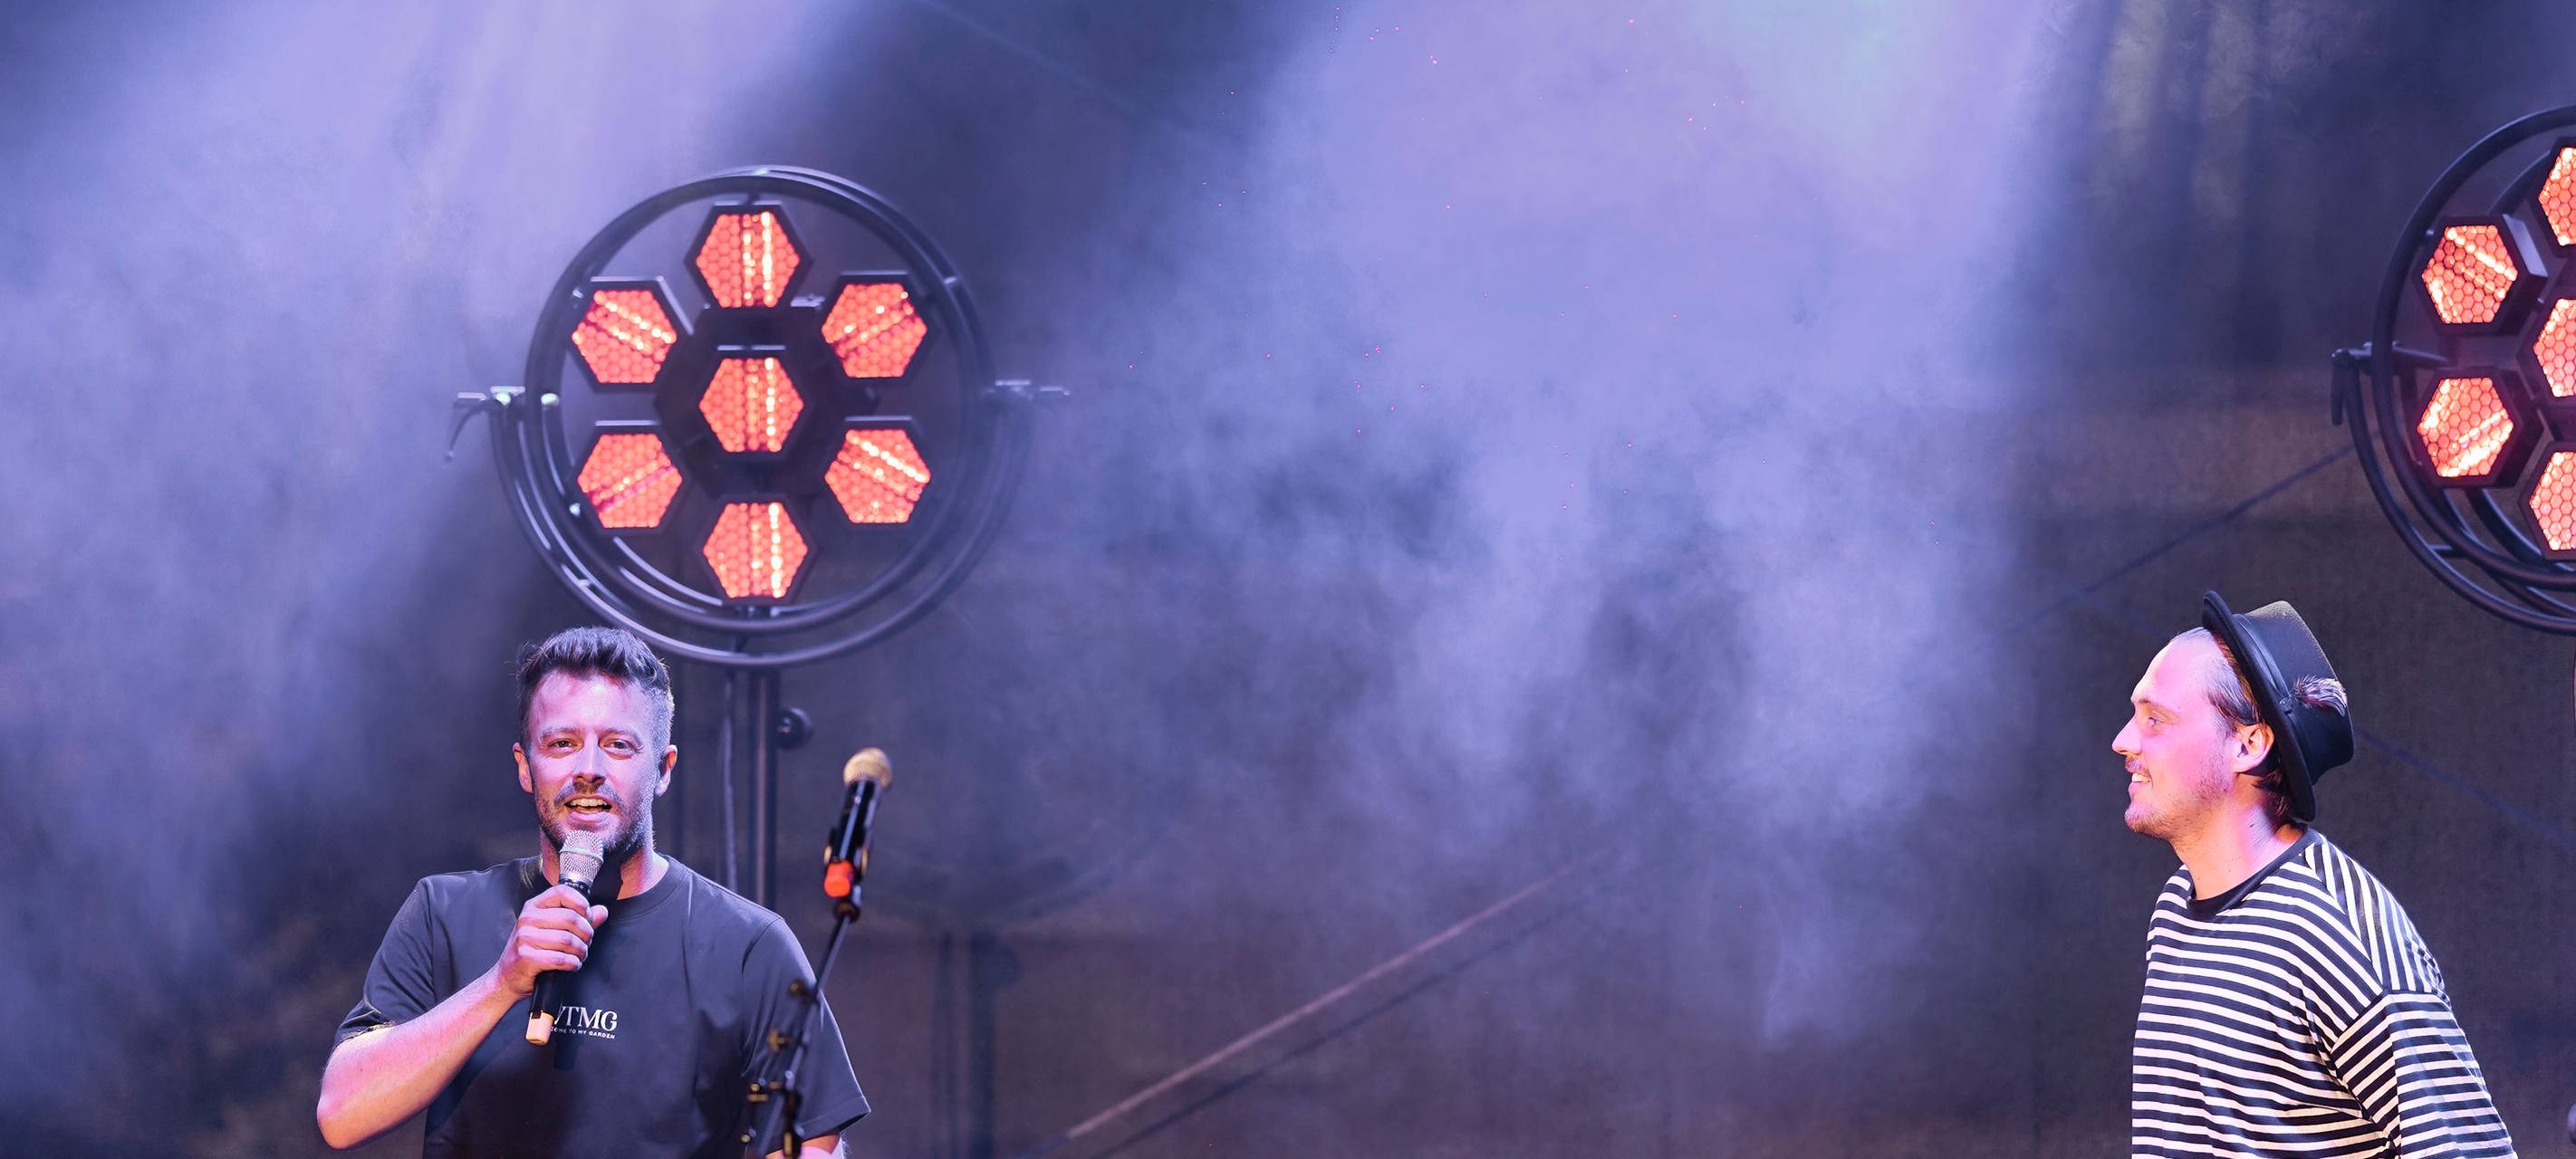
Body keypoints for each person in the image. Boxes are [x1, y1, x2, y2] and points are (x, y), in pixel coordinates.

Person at [316, 627, 867, 1157]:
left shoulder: (750, 945)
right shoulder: (443, 912)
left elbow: (811, 1142)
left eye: (618, 745)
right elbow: (343, 1115)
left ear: (663, 768)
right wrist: (502, 982)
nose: (587, 770)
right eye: (561, 743)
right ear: (525, 767)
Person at [2115, 593, 2513, 1157]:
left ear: (2248, 744)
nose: (2124, 741)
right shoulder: (2177, 905)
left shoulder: (2342, 933)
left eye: (2156, 720)